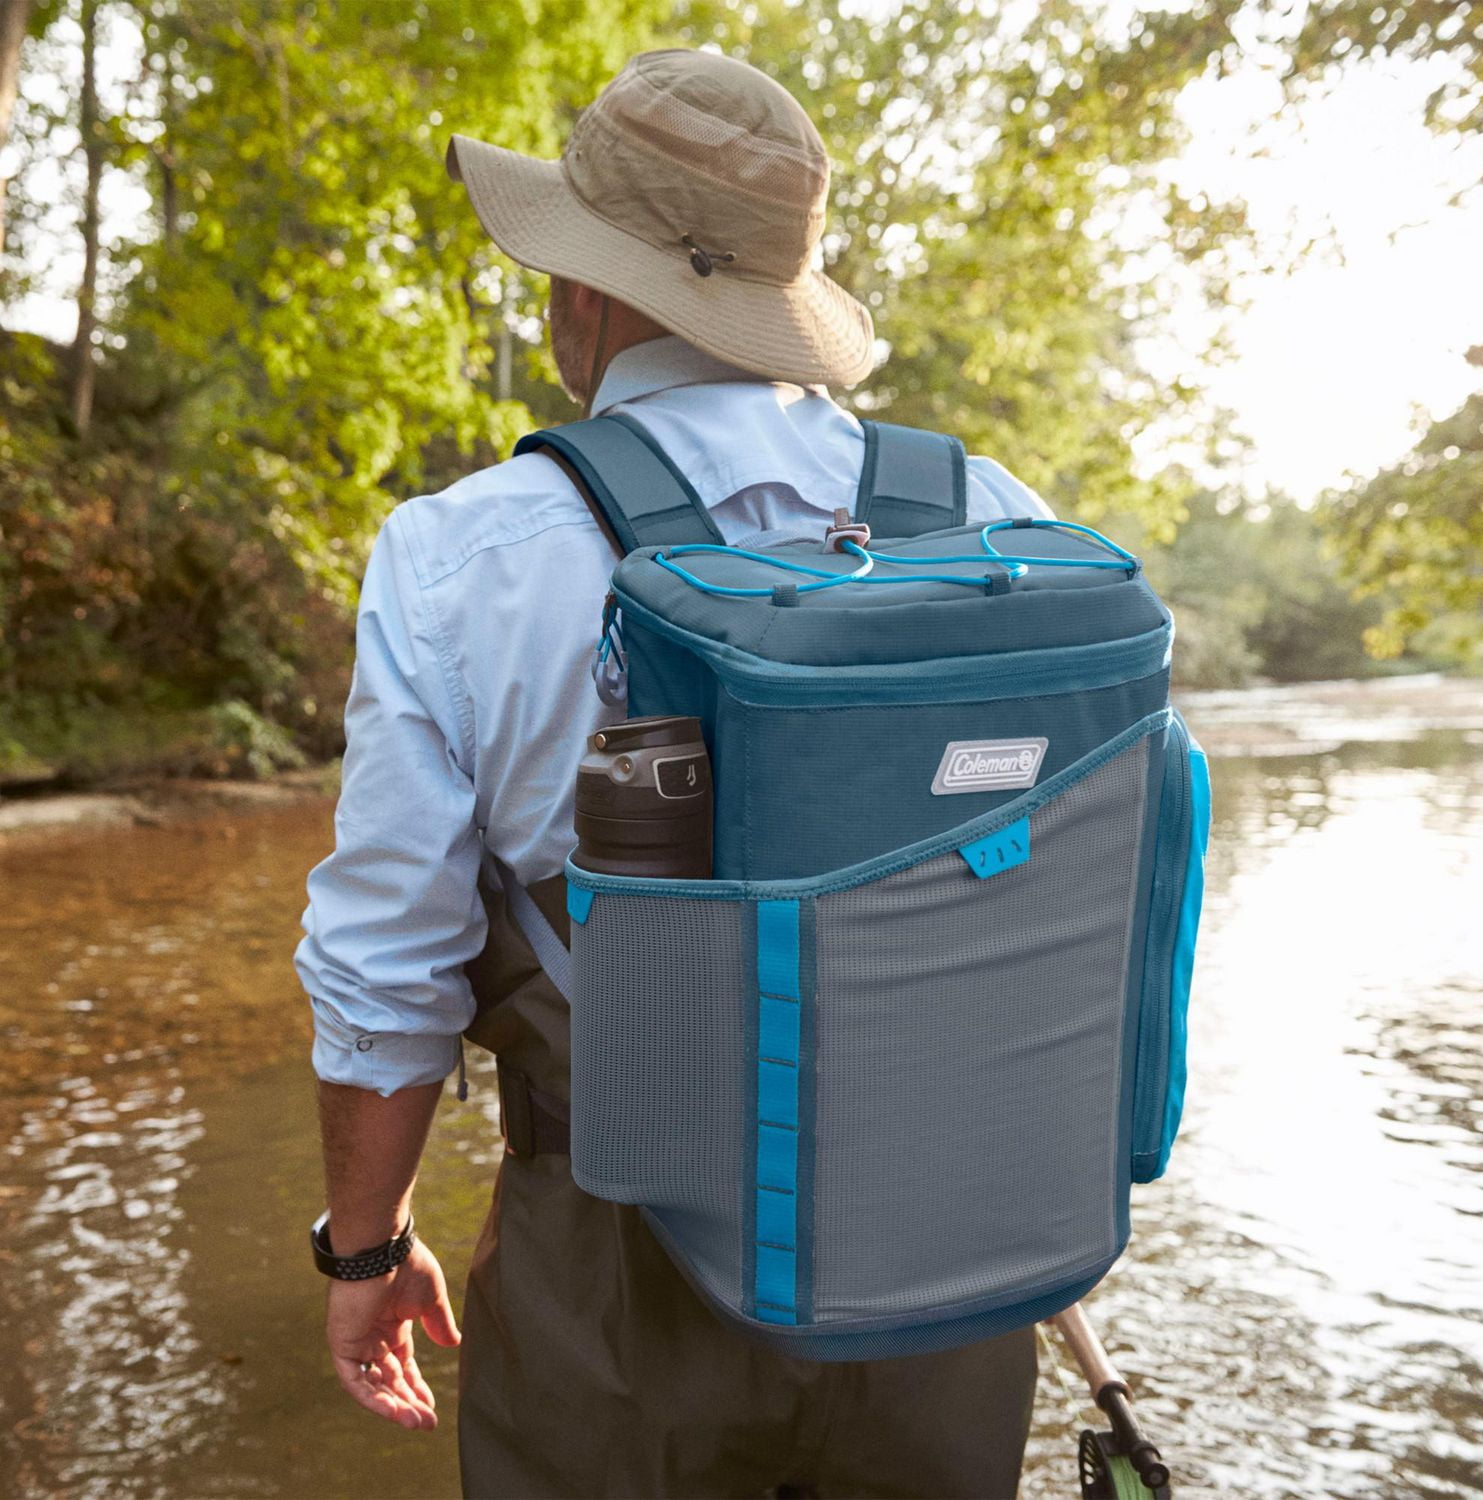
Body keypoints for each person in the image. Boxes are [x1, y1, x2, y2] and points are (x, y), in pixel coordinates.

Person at [297, 47, 1051, 1500]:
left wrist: (366, 1248)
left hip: (619, 1264)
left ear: (582, 288)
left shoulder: (463, 556)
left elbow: (390, 967)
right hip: (950, 1253)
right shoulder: (995, 519)